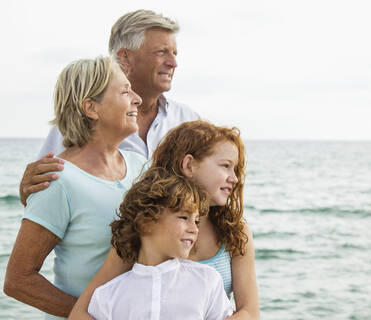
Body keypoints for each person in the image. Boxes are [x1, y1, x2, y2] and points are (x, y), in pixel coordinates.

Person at [69, 121, 260, 320]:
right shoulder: (149, 226)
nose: (235, 178)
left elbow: (250, 313)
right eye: (226, 166)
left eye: (235, 169)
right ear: (189, 165)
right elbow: (81, 313)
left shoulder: (235, 231)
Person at [3, 57, 146, 319]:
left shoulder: (141, 167)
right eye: (125, 91)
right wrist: (90, 315)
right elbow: (18, 280)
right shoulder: (57, 180)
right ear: (91, 108)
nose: (137, 99)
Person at [18, 9, 199, 206]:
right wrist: (27, 189)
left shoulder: (190, 122)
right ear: (125, 58)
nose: (173, 63)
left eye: (174, 53)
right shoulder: (82, 121)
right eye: (161, 52)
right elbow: (42, 193)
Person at [88, 169, 234, 319]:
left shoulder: (207, 281)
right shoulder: (107, 297)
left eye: (196, 221)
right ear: (145, 223)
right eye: (184, 217)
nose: (194, 229)